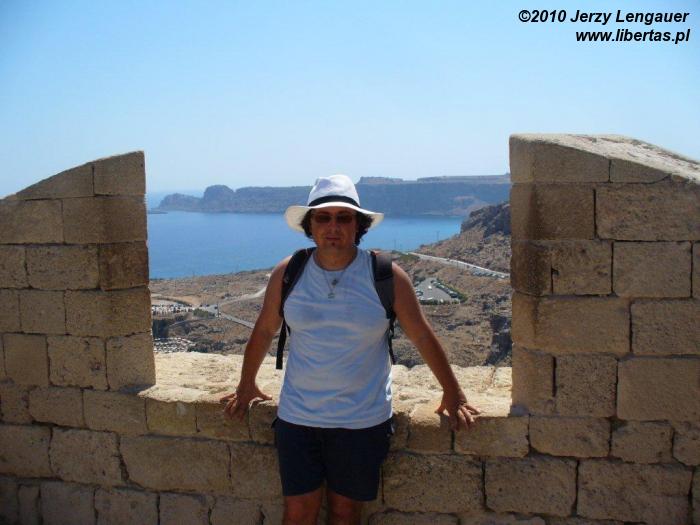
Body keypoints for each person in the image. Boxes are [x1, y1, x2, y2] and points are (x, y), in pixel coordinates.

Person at [221, 175, 480, 525]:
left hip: (361, 421)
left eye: (343, 217)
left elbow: (421, 335)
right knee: (298, 514)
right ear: (310, 225)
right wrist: (246, 384)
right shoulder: (289, 272)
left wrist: (453, 392)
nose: (333, 226)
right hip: (298, 418)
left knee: (345, 515)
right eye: (323, 217)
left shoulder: (385, 275)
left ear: (358, 225)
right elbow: (266, 329)